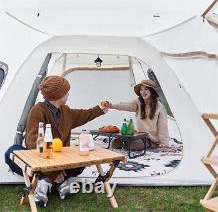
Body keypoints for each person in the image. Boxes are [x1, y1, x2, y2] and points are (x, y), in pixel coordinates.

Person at [24, 75, 106, 207]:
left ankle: (46, 182)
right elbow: (33, 143)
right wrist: (53, 171)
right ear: (58, 95)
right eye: (66, 92)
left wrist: (100, 110)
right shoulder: (37, 111)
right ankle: (55, 182)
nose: (68, 94)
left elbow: (83, 115)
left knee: (82, 161)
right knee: (16, 156)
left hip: (62, 158)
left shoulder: (65, 111)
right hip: (43, 157)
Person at [106, 79, 170, 151]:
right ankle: (127, 142)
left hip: (150, 139)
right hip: (138, 135)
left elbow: (163, 127)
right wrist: (112, 106)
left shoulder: (160, 107)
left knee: (132, 146)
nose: (143, 92)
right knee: (115, 143)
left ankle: (150, 144)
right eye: (141, 89)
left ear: (152, 91)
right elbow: (127, 105)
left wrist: (164, 143)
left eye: (146, 89)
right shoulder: (138, 102)